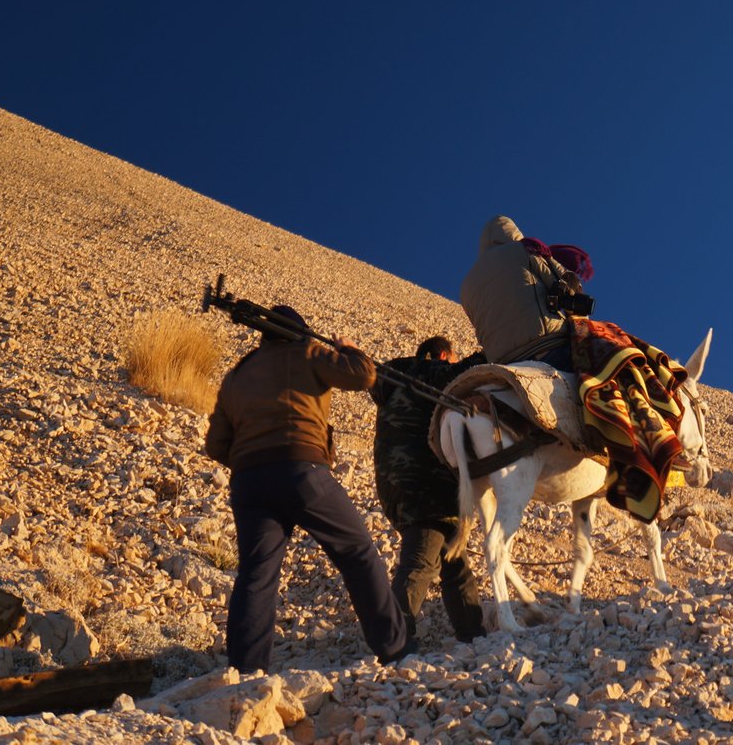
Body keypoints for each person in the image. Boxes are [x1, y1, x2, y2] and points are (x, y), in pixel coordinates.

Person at [203, 305, 411, 673]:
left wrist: (253, 457)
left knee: (257, 573)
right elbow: (364, 375)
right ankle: (395, 650)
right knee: (357, 553)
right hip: (303, 471)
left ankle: (246, 671)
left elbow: (216, 445)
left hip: (250, 484)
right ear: (300, 332)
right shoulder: (309, 353)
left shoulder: (237, 375)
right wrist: (348, 349)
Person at [370, 335, 487, 643]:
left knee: (454, 558)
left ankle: (473, 634)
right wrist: (497, 344)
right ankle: (393, 640)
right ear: (443, 355)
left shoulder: (391, 378)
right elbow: (470, 370)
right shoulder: (428, 372)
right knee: (420, 561)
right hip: (425, 483)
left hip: (395, 484)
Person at [458, 215, 593, 369]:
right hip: (547, 346)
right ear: (513, 231)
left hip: (502, 362)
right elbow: (566, 286)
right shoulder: (526, 248)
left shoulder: (465, 286)